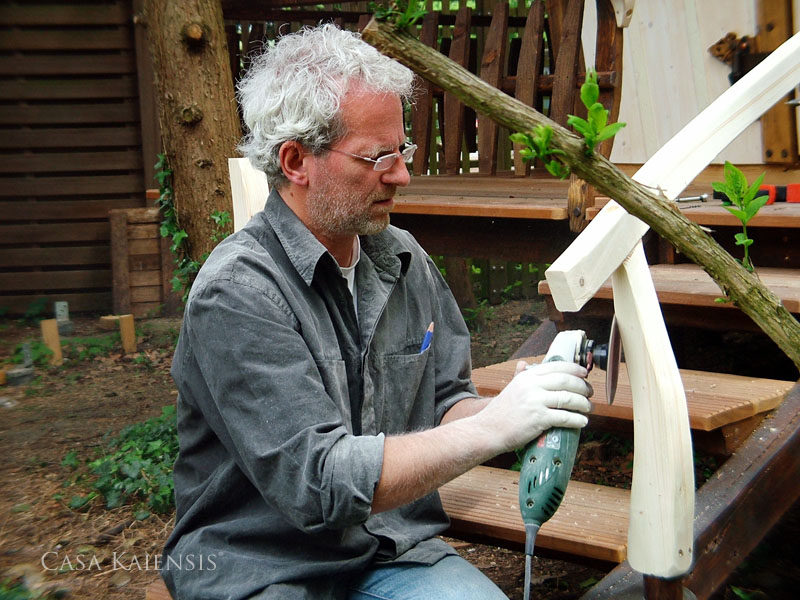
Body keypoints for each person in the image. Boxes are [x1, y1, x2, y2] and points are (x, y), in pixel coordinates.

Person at [162, 23, 593, 600]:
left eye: (403, 149)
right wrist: (493, 428)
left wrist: (516, 407)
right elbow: (318, 484)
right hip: (264, 567)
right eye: (378, 156)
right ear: (296, 161)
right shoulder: (237, 294)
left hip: (390, 549)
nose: (402, 175)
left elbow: (444, 402)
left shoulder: (401, 257)